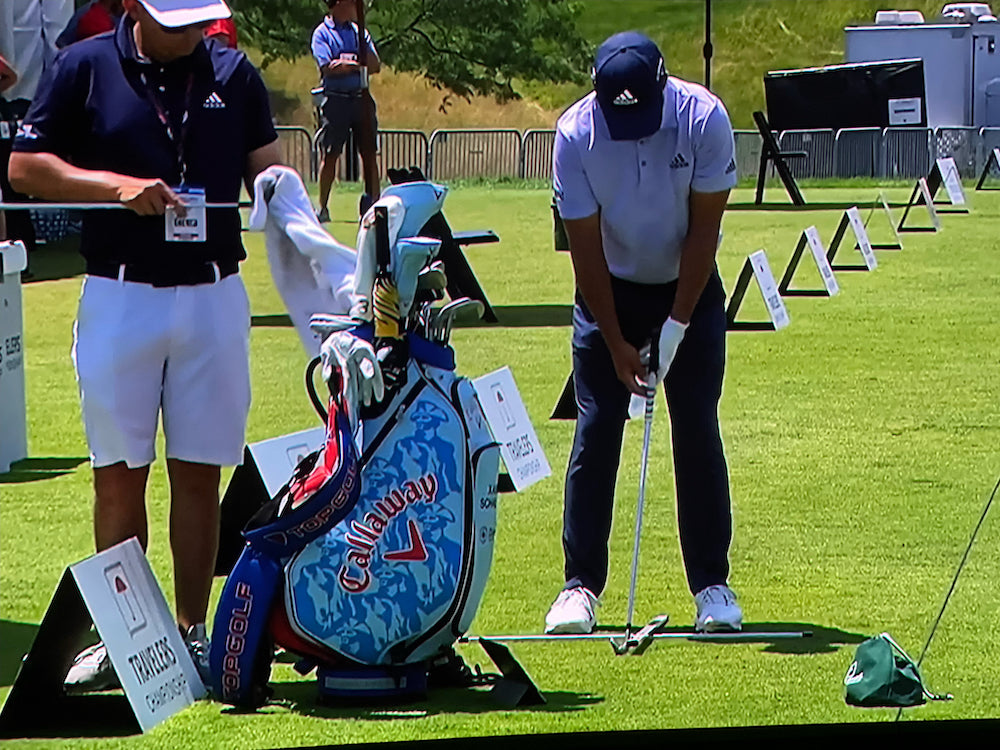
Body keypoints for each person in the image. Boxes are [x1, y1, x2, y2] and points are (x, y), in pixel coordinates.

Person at [9, 0, 282, 688]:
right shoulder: (85, 65)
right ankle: (127, 640)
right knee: (118, 475)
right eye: (176, 21)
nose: (193, 33)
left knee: (199, 473)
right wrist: (115, 187)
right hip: (120, 296)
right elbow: (25, 168)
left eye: (200, 20)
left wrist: (289, 204)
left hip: (214, 295)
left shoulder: (232, 72)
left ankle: (192, 633)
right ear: (133, 7)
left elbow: (270, 170)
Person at [545, 31, 742, 635]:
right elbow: (584, 251)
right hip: (610, 289)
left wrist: (677, 327)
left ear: (663, 86)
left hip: (690, 284)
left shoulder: (703, 118)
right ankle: (579, 588)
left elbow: (704, 234)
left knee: (695, 423)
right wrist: (615, 340)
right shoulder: (575, 134)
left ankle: (713, 586)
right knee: (599, 423)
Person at [0, 0, 73, 274]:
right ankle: (18, 240)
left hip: (35, 82)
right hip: (19, 80)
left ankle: (21, 239)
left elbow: (58, 29)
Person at [311, 0, 380, 222]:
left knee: (369, 153)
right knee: (331, 154)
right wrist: (354, 63)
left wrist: (355, 59)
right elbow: (327, 66)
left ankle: (375, 204)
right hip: (336, 100)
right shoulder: (322, 33)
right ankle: (323, 207)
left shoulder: (361, 33)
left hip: (361, 97)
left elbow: (375, 64)